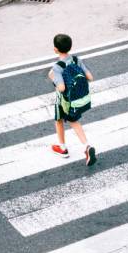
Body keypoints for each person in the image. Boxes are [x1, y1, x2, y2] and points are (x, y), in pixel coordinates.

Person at [47, 34, 97, 166]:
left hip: (64, 101)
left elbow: (62, 88)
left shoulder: (57, 67)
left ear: (55, 49)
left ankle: (62, 148)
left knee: (58, 120)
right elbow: (90, 77)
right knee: (74, 121)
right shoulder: (76, 59)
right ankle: (87, 146)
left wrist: (52, 77)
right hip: (76, 100)